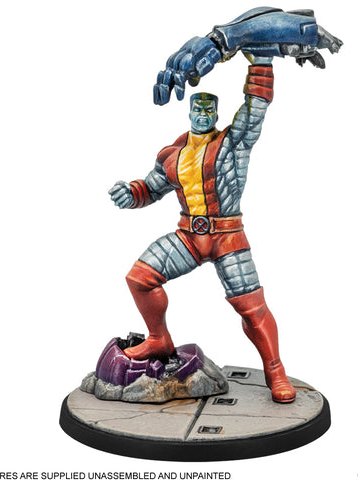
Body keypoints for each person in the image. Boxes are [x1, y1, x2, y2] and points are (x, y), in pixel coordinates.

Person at [109, 54, 297, 403]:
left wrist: (261, 64)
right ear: (190, 113)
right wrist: (130, 194)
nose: (202, 115)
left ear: (215, 115)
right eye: (198, 110)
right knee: (140, 278)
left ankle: (275, 371)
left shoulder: (232, 144)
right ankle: (158, 338)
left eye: (209, 111)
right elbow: (151, 188)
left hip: (228, 236)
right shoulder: (173, 155)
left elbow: (254, 110)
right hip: (189, 236)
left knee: (252, 307)